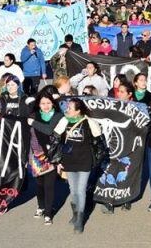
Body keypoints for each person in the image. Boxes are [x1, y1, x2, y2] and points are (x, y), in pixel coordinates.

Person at [50, 98, 105, 233]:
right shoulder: (64, 121)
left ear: (78, 111)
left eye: (70, 108)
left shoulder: (89, 122)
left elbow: (100, 143)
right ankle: (75, 214)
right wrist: (57, 161)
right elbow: (55, 140)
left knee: (80, 191)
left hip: (84, 160)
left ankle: (80, 220)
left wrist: (96, 161)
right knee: (73, 190)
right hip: (68, 161)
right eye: (67, 107)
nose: (67, 110)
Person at [26, 90, 65, 225]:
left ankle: (48, 213)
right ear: (38, 104)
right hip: (35, 156)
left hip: (51, 156)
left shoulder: (58, 116)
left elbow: (49, 130)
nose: (46, 106)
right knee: (39, 185)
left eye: (48, 103)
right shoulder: (33, 115)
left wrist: (33, 123)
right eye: (42, 103)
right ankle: (41, 206)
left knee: (49, 185)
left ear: (53, 104)